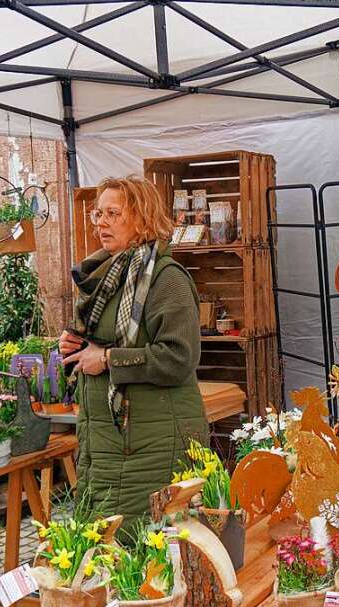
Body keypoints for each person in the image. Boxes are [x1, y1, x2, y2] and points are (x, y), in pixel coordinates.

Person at [61, 175, 208, 527]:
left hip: (152, 444)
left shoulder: (165, 278)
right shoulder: (105, 276)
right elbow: (108, 339)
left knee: (147, 546)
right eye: (98, 214)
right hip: (107, 442)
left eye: (113, 213)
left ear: (142, 219)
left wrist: (109, 359)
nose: (101, 223)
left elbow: (179, 357)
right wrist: (77, 345)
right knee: (109, 548)